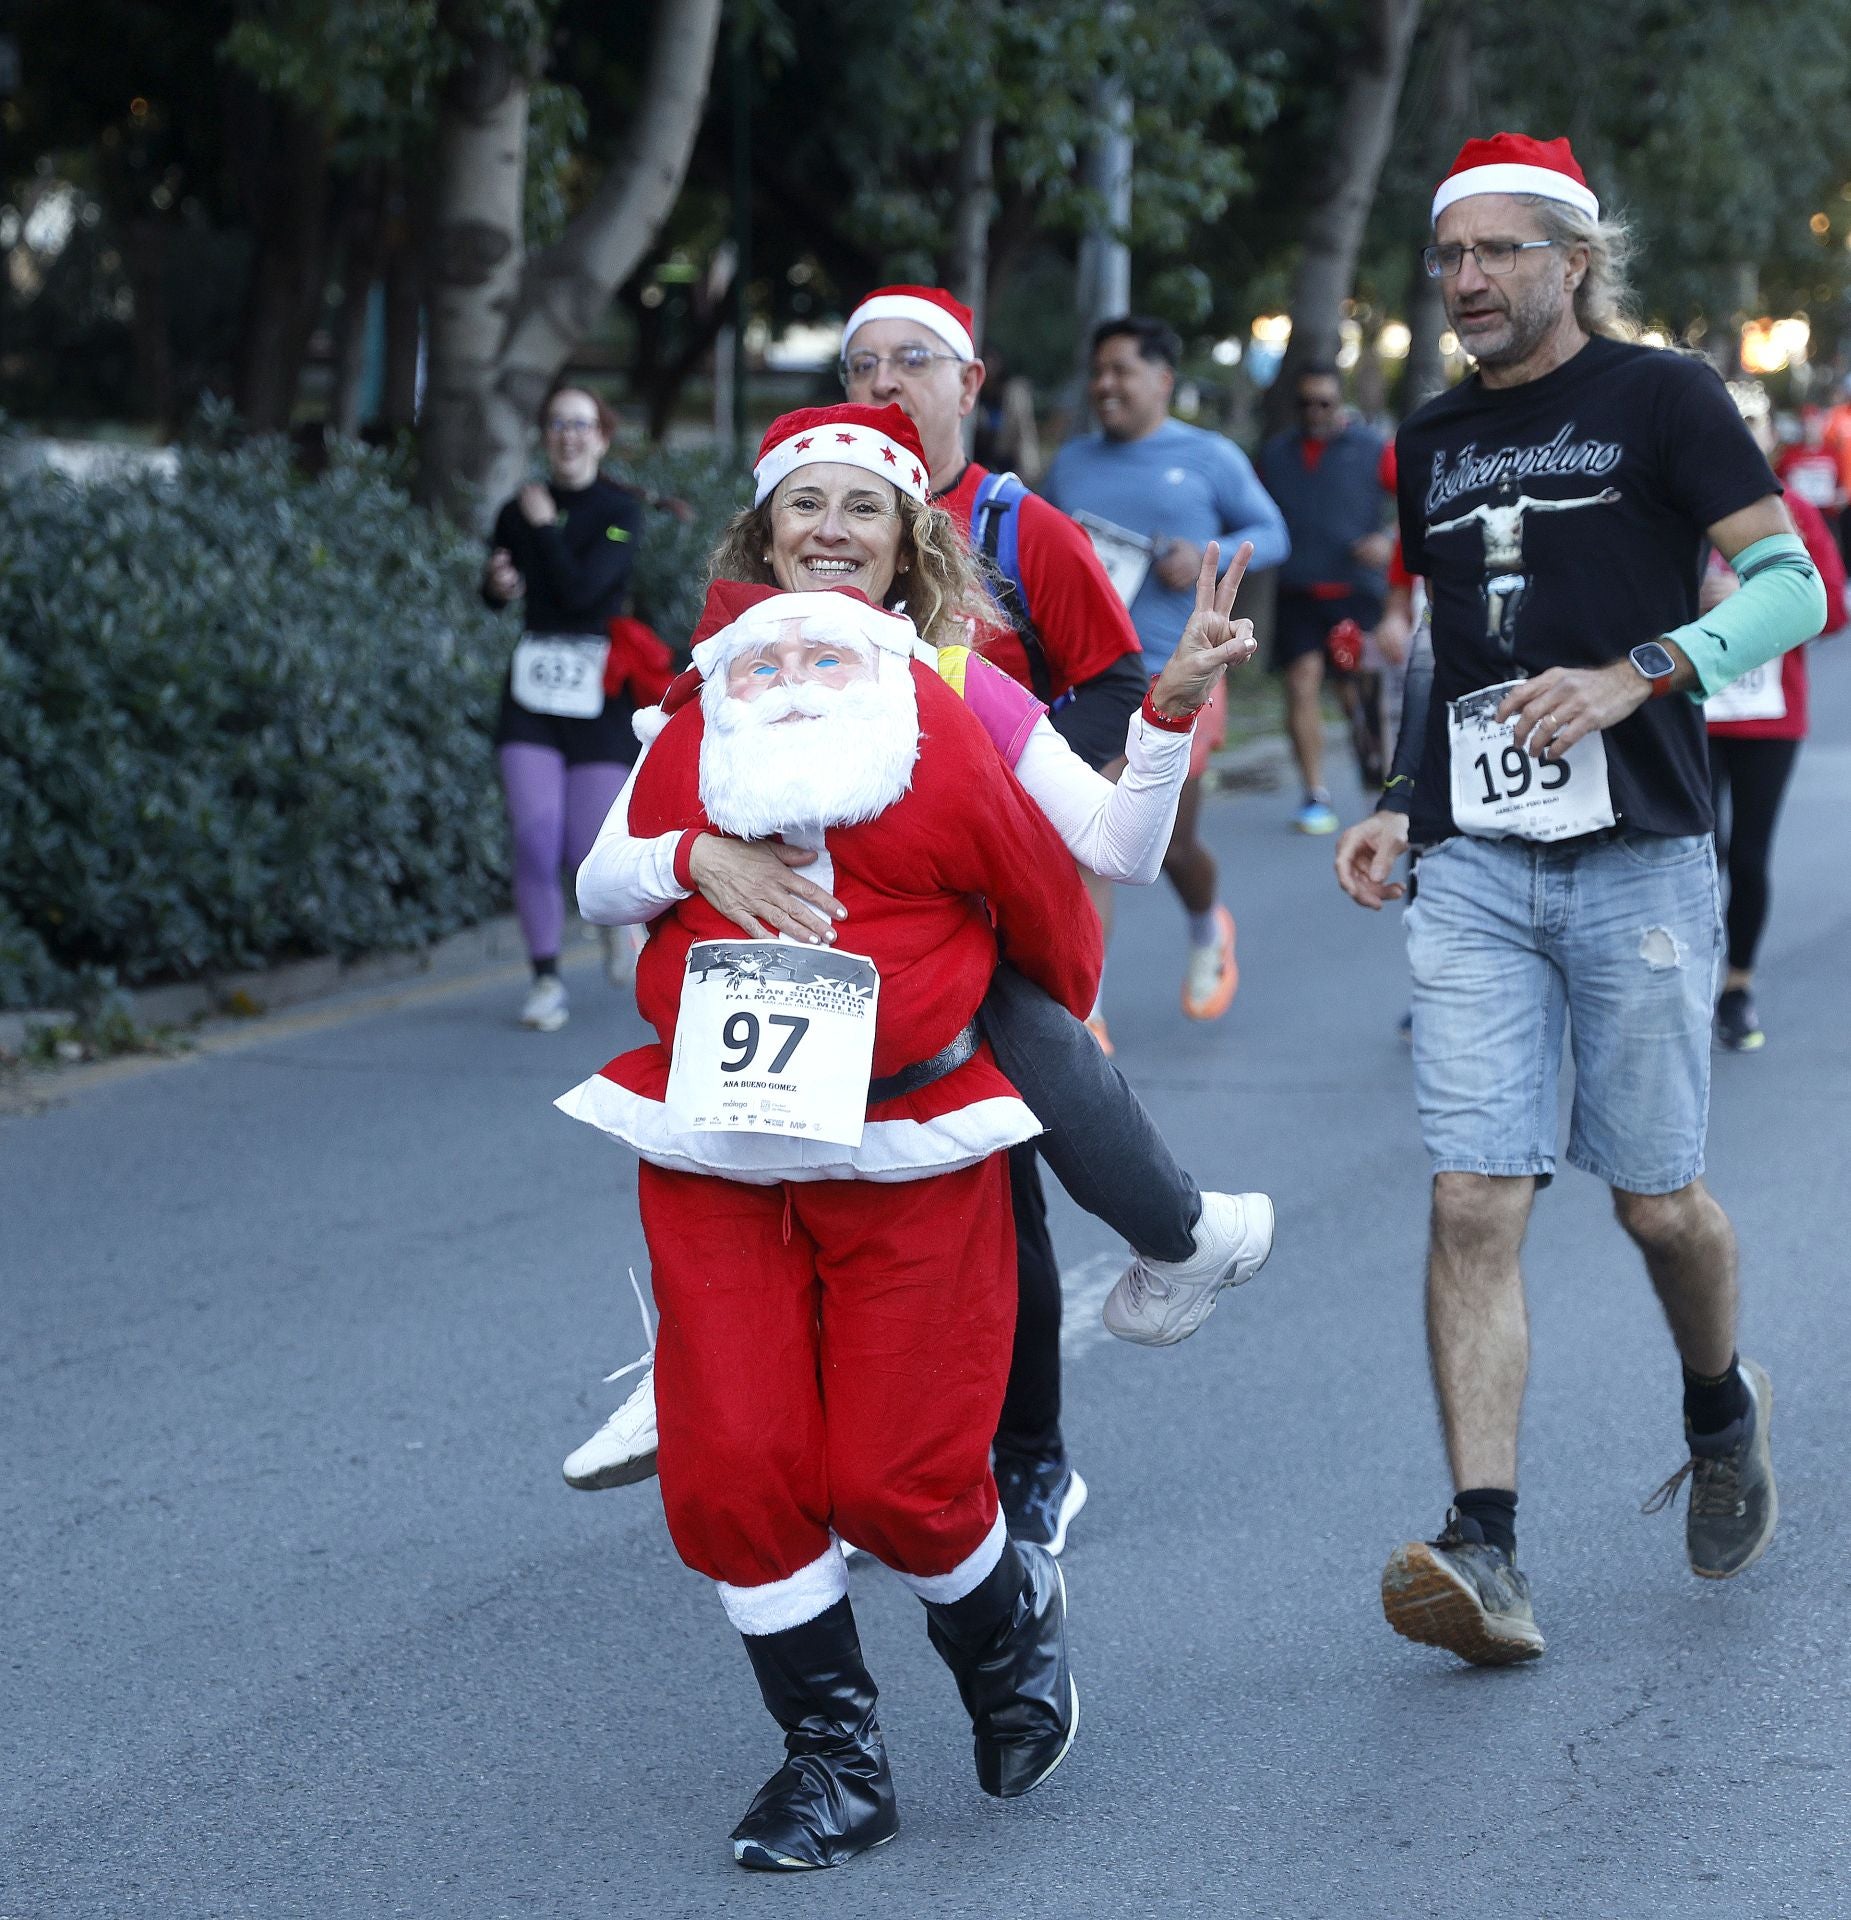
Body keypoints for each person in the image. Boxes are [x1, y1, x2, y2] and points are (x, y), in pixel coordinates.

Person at [563, 405, 1276, 1562]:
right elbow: (601, 879)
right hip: (753, 1051)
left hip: (915, 1043)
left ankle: (1148, 1277)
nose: (833, 530)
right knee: (737, 1269)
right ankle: (692, 1369)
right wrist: (697, 855)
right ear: (763, 535)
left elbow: (1117, 850)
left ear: (909, 543)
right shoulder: (715, 681)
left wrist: (1168, 717)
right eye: (807, 503)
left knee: (1007, 1050)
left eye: (864, 509)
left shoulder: (959, 677)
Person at [1333, 132, 1824, 1666]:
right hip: (1478, 867)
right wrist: (1404, 804)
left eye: (1494, 253)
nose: (1465, 282)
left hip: (1641, 858)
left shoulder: (1662, 394)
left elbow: (1793, 585)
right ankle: (1483, 1546)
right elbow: (1439, 645)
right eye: (1448, 259)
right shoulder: (1430, 435)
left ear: (1569, 259)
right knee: (1474, 1191)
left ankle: (1714, 1405)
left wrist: (1638, 674)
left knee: (1654, 1202)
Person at [1044, 315, 1291, 1018]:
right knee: (1085, 836)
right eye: (1097, 372)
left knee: (1172, 843)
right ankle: (1083, 1016)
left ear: (1162, 379)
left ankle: (1206, 920)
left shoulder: (1208, 456)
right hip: (1087, 674)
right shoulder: (1071, 463)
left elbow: (1272, 533)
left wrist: (1199, 552)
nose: (1104, 385)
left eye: (1120, 369)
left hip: (1179, 672)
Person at [482, 388, 644, 1032]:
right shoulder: (515, 512)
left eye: (582, 425)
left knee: (585, 849)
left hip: (599, 698)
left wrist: (547, 528)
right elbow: (498, 588)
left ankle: (608, 928)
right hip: (532, 698)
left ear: (601, 438)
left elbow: (582, 593)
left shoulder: (619, 511)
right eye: (557, 425)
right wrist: (498, 584)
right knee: (533, 837)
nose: (569, 436)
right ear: (545, 436)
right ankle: (546, 978)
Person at [1705, 395, 1847, 1050]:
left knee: (1748, 855)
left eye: (1750, 427)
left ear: (1768, 439)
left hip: (1767, 715)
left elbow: (1832, 610)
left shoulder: (1792, 510)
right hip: (1690, 712)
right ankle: (1676, 979)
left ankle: (1736, 985)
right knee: (1689, 853)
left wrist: (1755, 602)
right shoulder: (1676, 506)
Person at [1257, 363, 1396, 831]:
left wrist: (1390, 539)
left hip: (1355, 591)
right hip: (1297, 589)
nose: (1314, 411)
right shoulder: (1275, 455)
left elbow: (1422, 498)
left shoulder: (1372, 449)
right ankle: (1315, 792)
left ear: (1340, 404)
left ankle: (1379, 783)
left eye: (1324, 402)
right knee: (1301, 680)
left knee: (1357, 692)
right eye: (1305, 403)